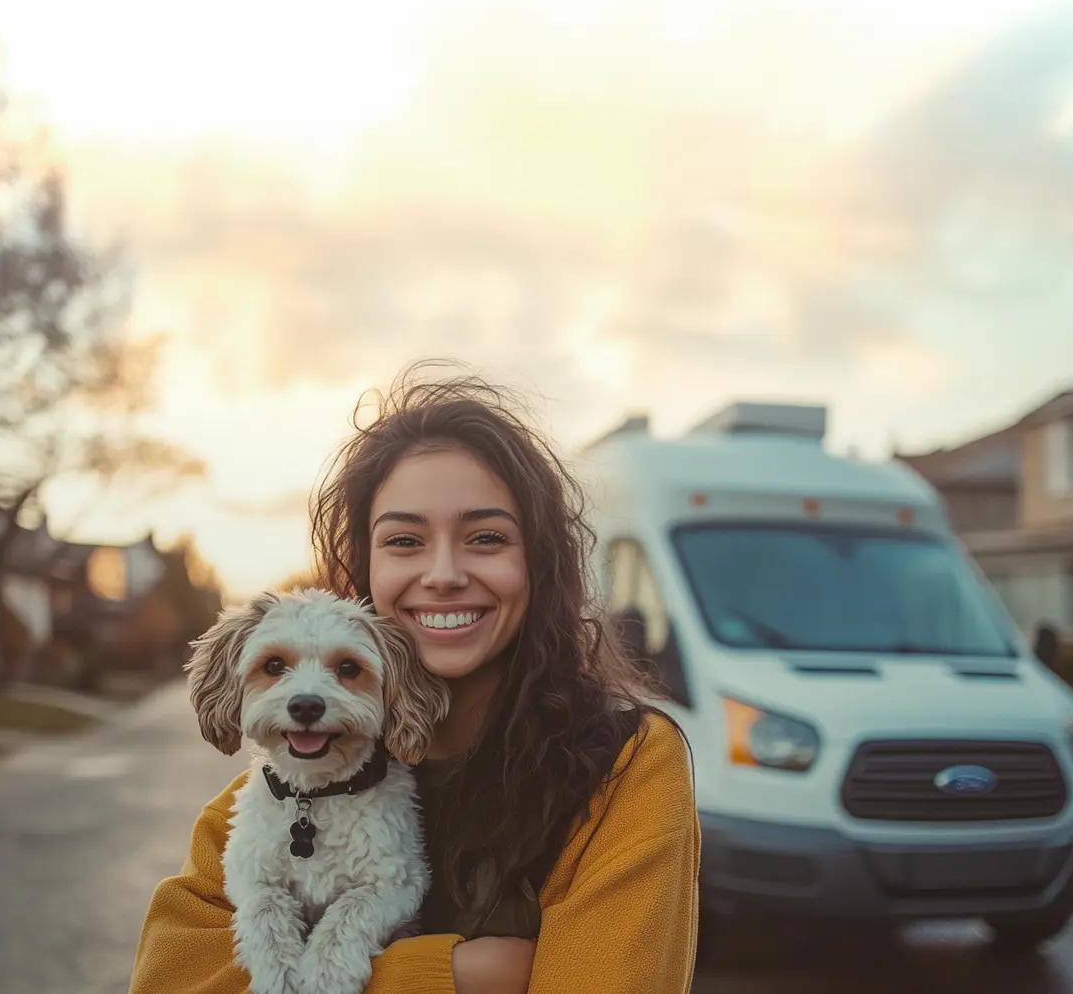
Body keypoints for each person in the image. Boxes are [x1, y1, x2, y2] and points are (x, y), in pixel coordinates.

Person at [130, 367, 699, 994]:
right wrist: (464, 975)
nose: (445, 573)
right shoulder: (280, 792)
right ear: (365, 566)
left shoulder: (623, 769)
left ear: (538, 563)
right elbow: (165, 980)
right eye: (404, 540)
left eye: (486, 538)